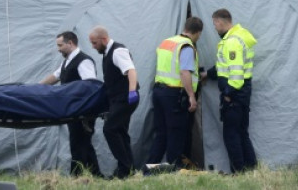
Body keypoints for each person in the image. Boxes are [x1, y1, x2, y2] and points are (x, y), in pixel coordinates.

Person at [40, 31, 103, 177]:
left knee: (78, 143)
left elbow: (91, 85)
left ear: (70, 43)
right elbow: (55, 76)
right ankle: (97, 175)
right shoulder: (67, 61)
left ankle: (76, 176)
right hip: (73, 109)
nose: (58, 49)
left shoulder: (83, 61)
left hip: (82, 110)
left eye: (60, 45)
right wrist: (36, 87)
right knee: (83, 144)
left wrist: (85, 110)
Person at [203, 8, 258, 173]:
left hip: (235, 94)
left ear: (220, 22)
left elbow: (236, 74)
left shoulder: (232, 42)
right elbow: (223, 66)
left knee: (231, 135)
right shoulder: (238, 37)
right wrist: (208, 74)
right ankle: (251, 169)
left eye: (214, 24)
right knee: (241, 132)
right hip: (242, 93)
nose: (215, 28)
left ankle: (238, 172)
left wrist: (227, 94)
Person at [148, 17, 203, 168]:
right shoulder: (186, 47)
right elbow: (185, 72)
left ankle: (149, 170)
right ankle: (174, 170)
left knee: (161, 134)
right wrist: (191, 96)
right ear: (198, 33)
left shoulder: (167, 42)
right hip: (174, 95)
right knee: (176, 133)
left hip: (159, 91)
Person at [88, 25, 139, 179]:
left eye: (94, 43)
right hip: (117, 99)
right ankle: (128, 170)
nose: (93, 46)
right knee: (121, 132)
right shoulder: (107, 53)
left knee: (110, 129)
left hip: (125, 99)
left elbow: (131, 70)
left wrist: (132, 91)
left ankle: (125, 169)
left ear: (104, 39)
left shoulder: (118, 51)